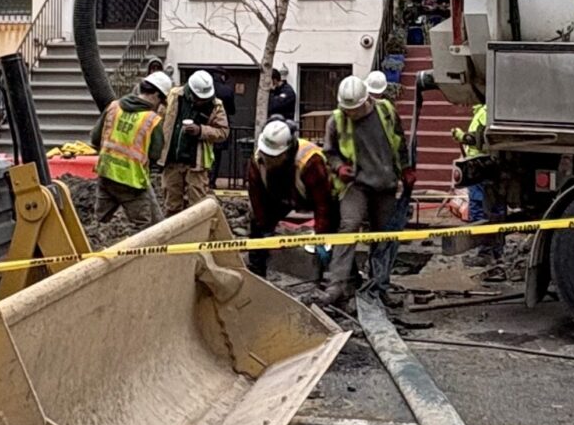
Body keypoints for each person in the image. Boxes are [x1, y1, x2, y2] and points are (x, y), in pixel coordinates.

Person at [322, 75, 411, 305]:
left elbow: (400, 141)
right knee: (349, 227)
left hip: (385, 183)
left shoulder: (386, 112)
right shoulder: (337, 120)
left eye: (356, 108)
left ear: (366, 101)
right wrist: (339, 167)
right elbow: (329, 152)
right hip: (356, 184)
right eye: (347, 109)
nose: (351, 113)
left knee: (383, 236)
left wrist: (407, 168)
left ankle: (379, 285)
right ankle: (337, 284)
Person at [245, 118, 335, 276]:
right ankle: (256, 273)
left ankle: (342, 277)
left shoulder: (310, 161)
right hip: (279, 195)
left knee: (337, 231)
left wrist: (322, 234)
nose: (268, 160)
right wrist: (265, 228)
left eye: (274, 157)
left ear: (286, 152)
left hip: (311, 196)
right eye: (267, 155)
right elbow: (257, 198)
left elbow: (323, 204)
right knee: (257, 225)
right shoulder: (258, 161)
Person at [88, 72, 170, 232]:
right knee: (143, 229)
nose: (159, 105)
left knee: (98, 226)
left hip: (106, 174)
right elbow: (154, 154)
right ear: (155, 95)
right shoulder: (151, 120)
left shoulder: (114, 107)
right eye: (161, 100)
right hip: (131, 181)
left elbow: (95, 137)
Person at [160, 70, 230, 215]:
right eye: (199, 98)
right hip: (172, 160)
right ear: (190, 92)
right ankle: (174, 236)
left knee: (197, 207)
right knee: (172, 205)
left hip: (196, 164)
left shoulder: (216, 105)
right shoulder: (173, 97)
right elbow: (159, 119)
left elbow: (223, 132)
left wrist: (201, 131)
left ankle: (197, 236)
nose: (202, 101)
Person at [453, 103, 505, 265]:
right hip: (491, 166)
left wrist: (463, 137)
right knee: (496, 210)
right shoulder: (488, 109)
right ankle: (497, 251)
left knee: (479, 210)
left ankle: (485, 253)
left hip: (481, 168)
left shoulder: (486, 111)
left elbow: (481, 138)